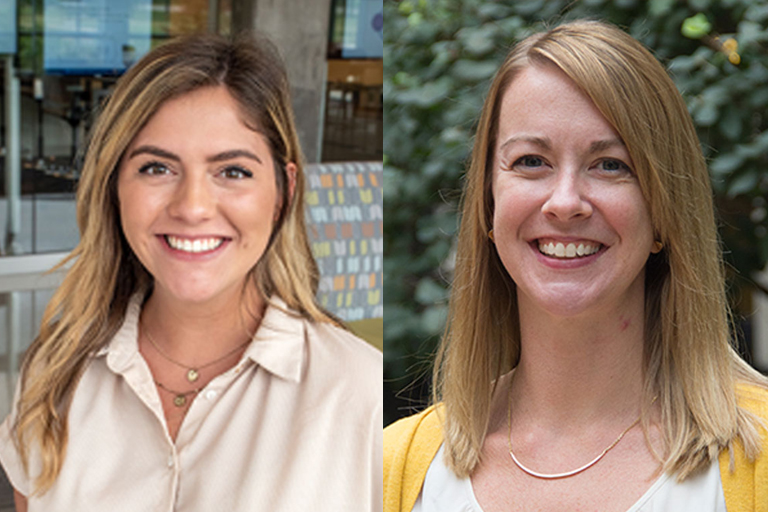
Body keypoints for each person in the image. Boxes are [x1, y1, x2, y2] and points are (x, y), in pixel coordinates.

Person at [384, 20, 768, 512]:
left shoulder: (752, 460)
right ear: (487, 204)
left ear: (663, 213)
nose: (565, 203)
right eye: (530, 161)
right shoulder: (393, 471)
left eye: (611, 165)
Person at [0, 34, 382, 511]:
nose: (193, 207)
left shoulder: (363, 396)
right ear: (114, 184)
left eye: (233, 171)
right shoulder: (53, 373)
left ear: (283, 191)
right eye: (157, 168)